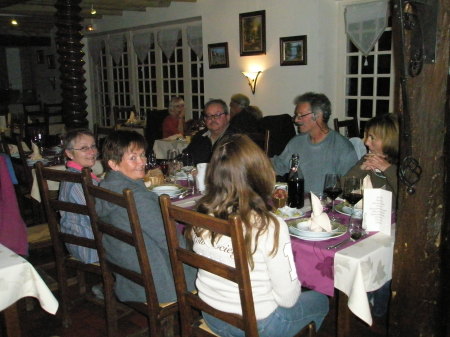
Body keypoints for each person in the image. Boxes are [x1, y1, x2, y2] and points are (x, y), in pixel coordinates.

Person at [190, 134, 329, 337]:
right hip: (258, 327)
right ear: (259, 173)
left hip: (212, 316)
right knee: (321, 301)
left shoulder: (201, 214)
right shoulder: (269, 225)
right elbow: (287, 299)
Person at [96, 130, 196, 303]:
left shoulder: (105, 186)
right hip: (157, 279)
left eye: (142, 155)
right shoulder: (136, 195)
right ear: (113, 164)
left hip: (126, 266)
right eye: (133, 158)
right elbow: (168, 240)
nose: (142, 162)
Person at [272, 92, 358, 195]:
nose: (296, 120)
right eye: (295, 116)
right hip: (299, 204)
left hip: (328, 206)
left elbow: (352, 187)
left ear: (317, 116)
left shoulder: (342, 147)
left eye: (300, 116)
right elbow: (278, 166)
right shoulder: (296, 142)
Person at [59, 129, 100, 264]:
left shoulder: (78, 174)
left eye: (93, 146)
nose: (92, 152)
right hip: (88, 246)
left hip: (88, 238)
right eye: (84, 148)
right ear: (69, 153)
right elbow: (99, 216)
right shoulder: (79, 182)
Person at [345, 113, 399, 203]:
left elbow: (410, 199)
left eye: (372, 137)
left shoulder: (405, 165)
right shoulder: (368, 158)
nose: (366, 142)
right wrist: (360, 169)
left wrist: (388, 169)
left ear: (388, 140)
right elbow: (343, 190)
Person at [183, 99, 238, 165]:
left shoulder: (236, 138)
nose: (212, 119)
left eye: (217, 115)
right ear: (205, 119)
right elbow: (186, 156)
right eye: (208, 116)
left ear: (227, 117)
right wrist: (177, 163)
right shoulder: (200, 137)